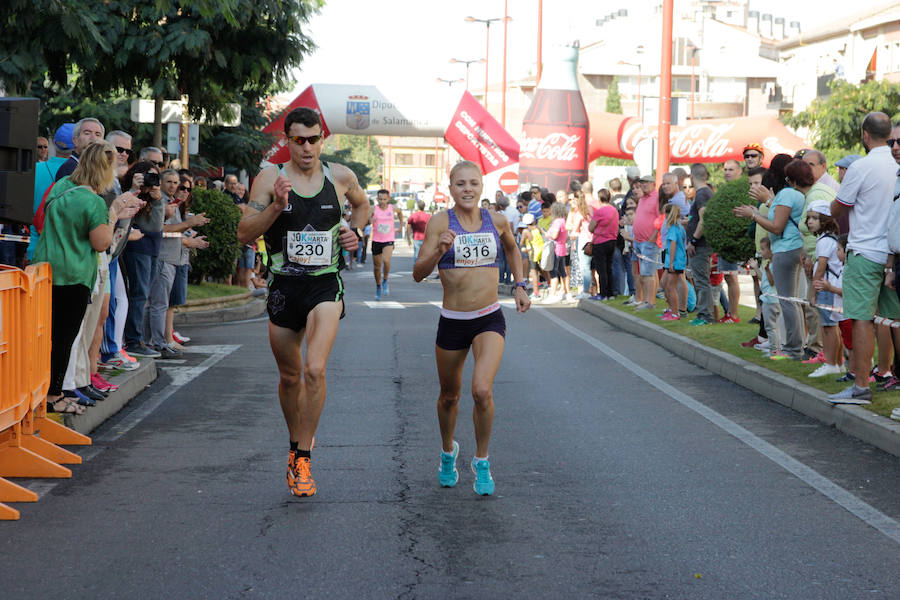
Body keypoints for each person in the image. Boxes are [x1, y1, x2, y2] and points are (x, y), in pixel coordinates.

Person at [237, 107, 368, 497]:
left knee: (314, 369)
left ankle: (305, 456)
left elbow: (361, 206)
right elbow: (244, 233)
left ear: (322, 140)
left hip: (324, 284)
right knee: (290, 377)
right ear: (288, 141)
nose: (307, 147)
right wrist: (276, 207)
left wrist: (354, 232)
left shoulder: (340, 177)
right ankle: (295, 446)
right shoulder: (269, 179)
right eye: (299, 140)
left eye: (314, 140)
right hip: (283, 288)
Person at [412, 160, 530, 496]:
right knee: (449, 397)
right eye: (461, 184)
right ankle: (448, 452)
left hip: (489, 317)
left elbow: (511, 246)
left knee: (481, 390)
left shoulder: (497, 220)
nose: (468, 189)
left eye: (474, 184)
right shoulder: (439, 223)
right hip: (453, 321)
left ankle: (482, 461)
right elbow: (418, 273)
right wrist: (439, 249)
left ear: (481, 188)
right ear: (451, 188)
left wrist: (520, 285)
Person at [34, 142, 143, 414]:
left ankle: (45, 392)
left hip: (46, 270)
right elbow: (101, 242)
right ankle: (54, 395)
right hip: (74, 275)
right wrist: (114, 213)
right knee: (63, 339)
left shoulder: (60, 188)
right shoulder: (93, 201)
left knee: (45, 337)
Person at [827, 112, 900, 403]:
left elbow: (838, 208)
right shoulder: (895, 164)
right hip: (893, 254)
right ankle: (891, 376)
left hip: (865, 251)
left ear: (865, 135)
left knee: (861, 319)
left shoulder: (861, 166)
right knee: (894, 319)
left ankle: (860, 386)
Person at [734, 155, 806, 359]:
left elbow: (776, 226)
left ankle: (792, 348)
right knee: (792, 301)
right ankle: (794, 345)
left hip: (785, 249)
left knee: (787, 301)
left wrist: (754, 215)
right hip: (791, 249)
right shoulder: (795, 194)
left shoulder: (787, 195)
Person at [805, 200, 844, 377]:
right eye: (808, 218)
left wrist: (813, 293)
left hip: (828, 289)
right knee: (831, 326)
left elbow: (820, 268)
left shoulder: (824, 241)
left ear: (825, 220)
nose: (810, 222)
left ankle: (831, 363)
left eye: (815, 218)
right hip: (829, 287)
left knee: (829, 327)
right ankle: (837, 362)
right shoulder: (827, 239)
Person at [686, 164, 715, 324]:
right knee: (701, 279)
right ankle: (704, 313)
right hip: (702, 244)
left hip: (701, 245)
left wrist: (694, 241)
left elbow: (704, 219)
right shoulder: (704, 192)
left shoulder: (702, 193)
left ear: (691, 176)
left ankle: (705, 315)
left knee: (701, 281)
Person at [632, 175, 661, 310]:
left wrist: (653, 238)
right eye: (641, 183)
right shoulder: (642, 198)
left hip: (648, 241)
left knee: (648, 274)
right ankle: (645, 300)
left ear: (653, 184)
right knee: (643, 274)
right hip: (639, 241)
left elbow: (660, 219)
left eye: (646, 183)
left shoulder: (656, 198)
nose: (643, 185)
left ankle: (650, 302)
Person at [371, 189, 404, 300]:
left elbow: (400, 213)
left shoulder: (392, 208)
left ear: (388, 199)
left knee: (386, 260)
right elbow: (366, 218)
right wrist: (370, 220)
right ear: (377, 199)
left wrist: (401, 225)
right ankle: (378, 286)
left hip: (388, 239)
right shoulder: (373, 209)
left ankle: (385, 280)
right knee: (376, 267)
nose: (382, 201)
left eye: (384, 199)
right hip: (376, 240)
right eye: (380, 199)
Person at [588, 188, 618, 300]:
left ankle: (603, 294)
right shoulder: (614, 210)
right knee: (609, 268)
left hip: (600, 242)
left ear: (600, 198)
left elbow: (591, 227)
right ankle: (610, 293)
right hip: (612, 241)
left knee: (601, 269)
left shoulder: (599, 212)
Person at [661, 204, 687, 320]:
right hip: (673, 260)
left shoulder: (673, 228)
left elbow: (673, 246)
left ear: (668, 214)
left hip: (675, 261)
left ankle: (675, 312)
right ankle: (671, 308)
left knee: (670, 286)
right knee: (664, 283)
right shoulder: (680, 227)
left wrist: (671, 263)